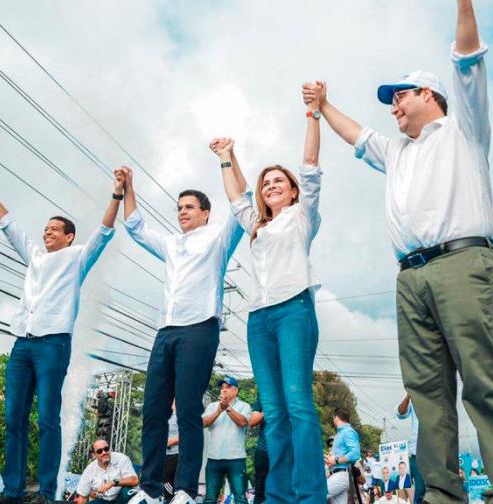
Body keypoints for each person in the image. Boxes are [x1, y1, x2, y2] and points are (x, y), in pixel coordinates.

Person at [303, 1, 493, 502]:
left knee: (481, 376)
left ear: (429, 94)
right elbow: (356, 136)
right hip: (411, 277)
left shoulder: (464, 129)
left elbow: (469, 58)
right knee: (428, 391)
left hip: (463, 264)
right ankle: (442, 493)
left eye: (400, 96)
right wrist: (322, 106)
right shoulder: (398, 151)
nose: (393, 107)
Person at [0, 171, 121, 504]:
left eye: (54, 229)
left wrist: (116, 194)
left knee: (47, 418)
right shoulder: (36, 259)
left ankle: (46, 491)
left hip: (53, 344)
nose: (47, 232)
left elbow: (105, 232)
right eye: (45, 229)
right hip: (22, 344)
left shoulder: (78, 257)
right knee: (13, 418)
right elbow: (9, 226)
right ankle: (12, 490)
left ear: (69, 237)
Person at [212, 78, 325, 504]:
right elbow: (237, 198)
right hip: (259, 320)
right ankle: (277, 495)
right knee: (273, 413)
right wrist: (228, 157)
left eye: (279, 181)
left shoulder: (302, 216)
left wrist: (313, 114)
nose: (271, 186)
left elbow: (311, 163)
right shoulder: (257, 226)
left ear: (293, 190)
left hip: (294, 310)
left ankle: (310, 494)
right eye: (266, 183)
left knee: (298, 406)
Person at [119, 163, 244, 504]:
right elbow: (134, 226)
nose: (182, 212)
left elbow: (241, 202)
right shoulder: (172, 243)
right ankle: (150, 488)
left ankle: (187, 489)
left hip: (199, 328)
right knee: (154, 410)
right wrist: (129, 186)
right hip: (166, 330)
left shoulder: (219, 237)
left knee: (188, 409)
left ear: (206, 212)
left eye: (189, 207)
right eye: (179, 208)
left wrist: (226, 160)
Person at [202, 377, 252, 504]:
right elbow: (203, 423)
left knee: (240, 498)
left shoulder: (244, 406)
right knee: (210, 498)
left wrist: (228, 408)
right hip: (214, 458)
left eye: (228, 388)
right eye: (222, 388)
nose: (223, 390)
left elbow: (242, 422)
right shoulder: (212, 406)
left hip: (236, 458)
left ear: (236, 391)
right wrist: (219, 410)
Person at [75, 439, 139, 504]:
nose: (104, 452)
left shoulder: (122, 458)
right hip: (105, 501)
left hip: (123, 498)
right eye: (99, 451)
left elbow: (134, 480)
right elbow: (82, 497)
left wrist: (112, 483)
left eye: (106, 449)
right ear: (94, 455)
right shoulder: (89, 470)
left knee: (127, 491)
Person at [327, 408, 361, 504]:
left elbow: (355, 453)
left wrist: (336, 460)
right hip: (338, 474)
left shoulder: (348, 432)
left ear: (336, 418)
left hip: (341, 475)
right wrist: (331, 459)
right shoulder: (340, 433)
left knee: (317, 494)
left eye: (333, 418)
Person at [395, 395, 423, 504]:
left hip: (437, 449)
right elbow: (400, 413)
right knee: (421, 490)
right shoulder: (413, 393)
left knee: (438, 489)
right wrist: (409, 395)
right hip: (417, 451)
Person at [249, 393, 269, 504]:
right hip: (264, 451)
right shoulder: (263, 394)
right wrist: (268, 408)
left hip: (286, 453)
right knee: (260, 493)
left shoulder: (293, 392)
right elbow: (252, 421)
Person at [163, 401, 180, 501]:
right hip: (165, 455)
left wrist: (168, 442)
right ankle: (169, 499)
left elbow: (188, 432)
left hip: (177, 454)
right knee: (166, 481)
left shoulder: (180, 416)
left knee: (174, 483)